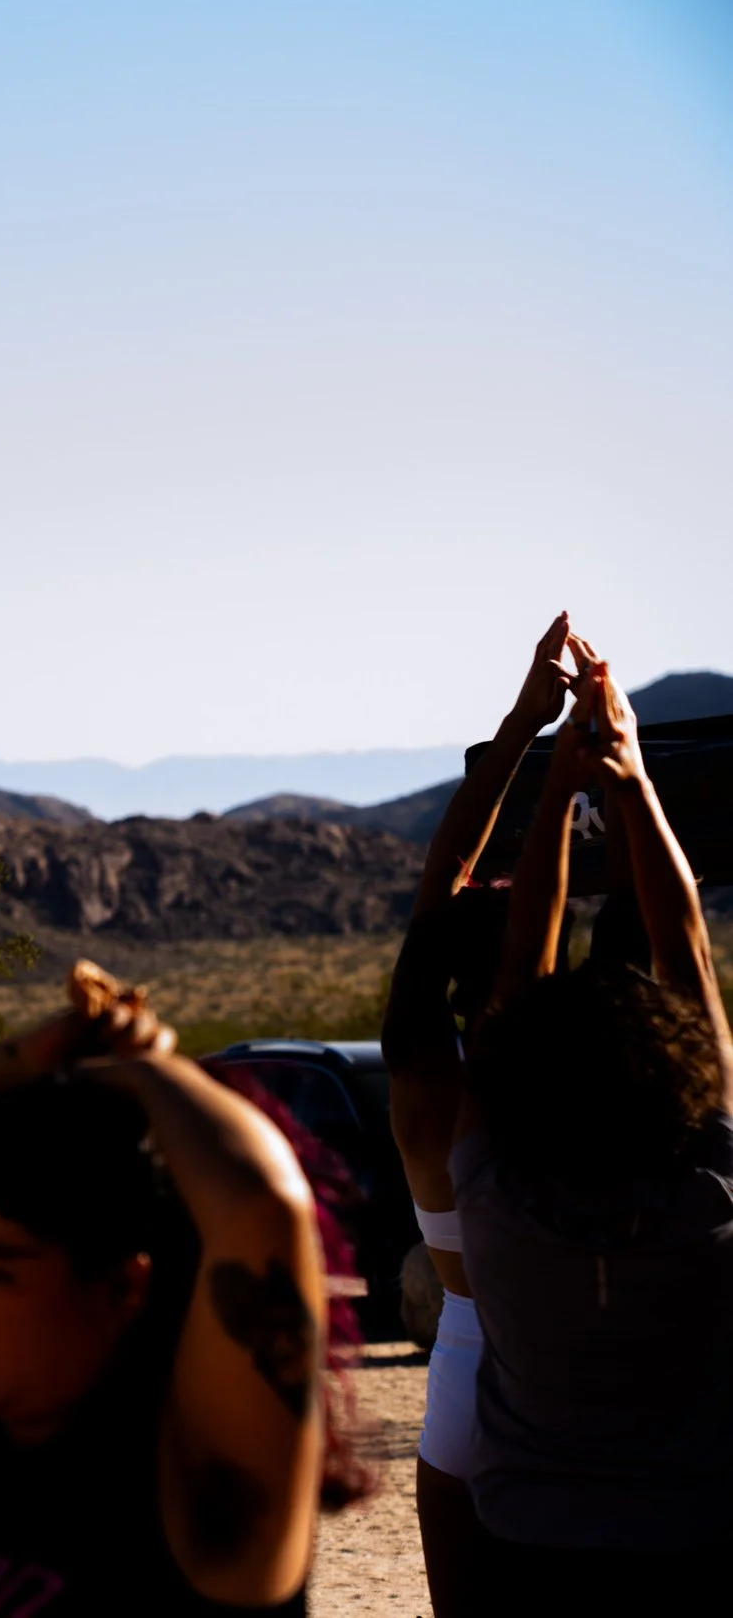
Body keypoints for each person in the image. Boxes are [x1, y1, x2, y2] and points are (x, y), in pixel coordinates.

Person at [0, 963, 344, 1615]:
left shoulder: (196, 1499)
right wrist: (32, 1057)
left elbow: (260, 1207)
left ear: (119, 1287)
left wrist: (149, 1070)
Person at [455, 644, 733, 1610]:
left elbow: (517, 971)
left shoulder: (494, 1198)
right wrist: (631, 777)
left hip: (527, 1551)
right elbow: (687, 951)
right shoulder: (709, 1203)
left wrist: (561, 787)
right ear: (679, 1074)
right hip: (691, 1543)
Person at [379, 611, 573, 1616]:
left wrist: (523, 727)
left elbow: (442, 873)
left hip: (461, 1364)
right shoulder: (553, 1084)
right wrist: (579, 771)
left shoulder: (421, 1082)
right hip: (562, 1360)